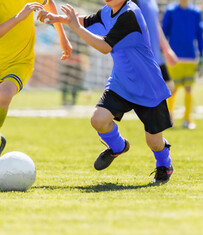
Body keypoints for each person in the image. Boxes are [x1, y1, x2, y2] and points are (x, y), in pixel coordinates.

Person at [42, 0, 175, 182]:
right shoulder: (107, 11)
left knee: (154, 142)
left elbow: (105, 47)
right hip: (121, 83)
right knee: (98, 119)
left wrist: (74, 26)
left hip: (147, 84)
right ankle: (118, 146)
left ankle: (164, 164)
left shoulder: (130, 14)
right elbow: (86, 21)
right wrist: (58, 18)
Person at [0, 0, 72, 178]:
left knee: (3, 96)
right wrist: (20, 16)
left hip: (20, 62)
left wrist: (63, 38)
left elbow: (49, 3)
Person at [162, 0, 203, 130]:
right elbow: (163, 32)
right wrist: (164, 51)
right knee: (172, 89)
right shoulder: (171, 11)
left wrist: (202, 55)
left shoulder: (196, 12)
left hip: (190, 57)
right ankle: (169, 118)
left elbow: (200, 35)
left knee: (188, 89)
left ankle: (187, 119)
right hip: (174, 58)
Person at [133, 0, 179, 98]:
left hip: (156, 56)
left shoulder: (152, 1)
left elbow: (156, 25)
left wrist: (167, 50)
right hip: (143, 55)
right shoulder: (134, 2)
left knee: (170, 87)